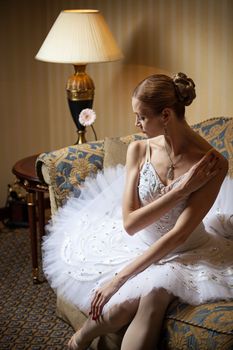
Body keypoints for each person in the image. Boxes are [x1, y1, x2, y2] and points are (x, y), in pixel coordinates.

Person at [42, 73, 233, 350]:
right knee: (120, 308)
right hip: (139, 243)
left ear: (165, 115)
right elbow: (130, 224)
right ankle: (80, 339)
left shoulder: (213, 164)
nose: (136, 124)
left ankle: (82, 338)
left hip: (186, 251)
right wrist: (180, 191)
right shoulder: (139, 150)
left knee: (152, 299)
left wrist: (120, 280)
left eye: (141, 117)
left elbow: (179, 234)